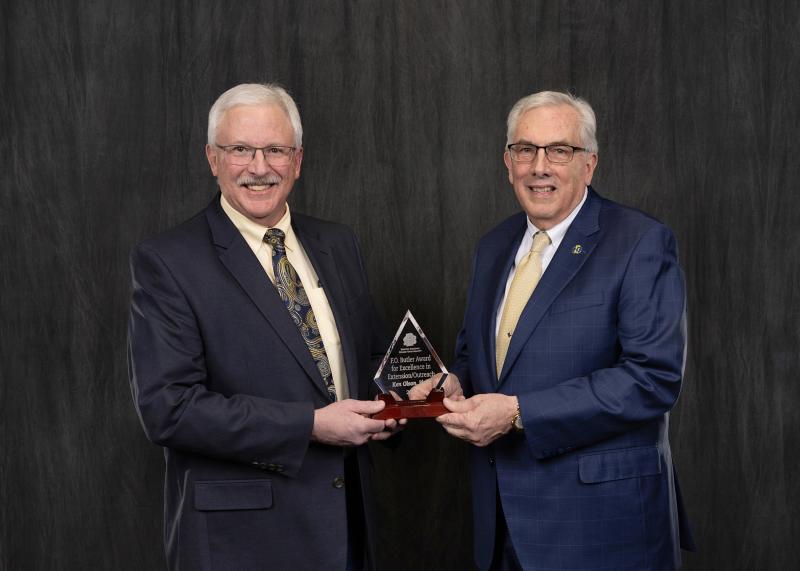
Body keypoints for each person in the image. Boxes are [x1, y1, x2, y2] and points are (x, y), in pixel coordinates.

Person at [411, 91, 695, 570]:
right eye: (526, 150)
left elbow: (653, 378)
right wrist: (455, 382)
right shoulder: (493, 246)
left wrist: (520, 412)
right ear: (508, 162)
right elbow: (479, 357)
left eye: (559, 150)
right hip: (501, 522)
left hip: (601, 526)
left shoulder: (640, 241)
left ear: (590, 164)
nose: (540, 166)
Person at [127, 83, 398, 571]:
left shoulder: (337, 243)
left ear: (296, 160)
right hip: (244, 540)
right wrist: (310, 426)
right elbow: (169, 409)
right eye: (240, 150)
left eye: (275, 149)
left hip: (347, 526)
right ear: (213, 158)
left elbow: (370, 358)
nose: (259, 167)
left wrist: (407, 395)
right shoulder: (169, 261)